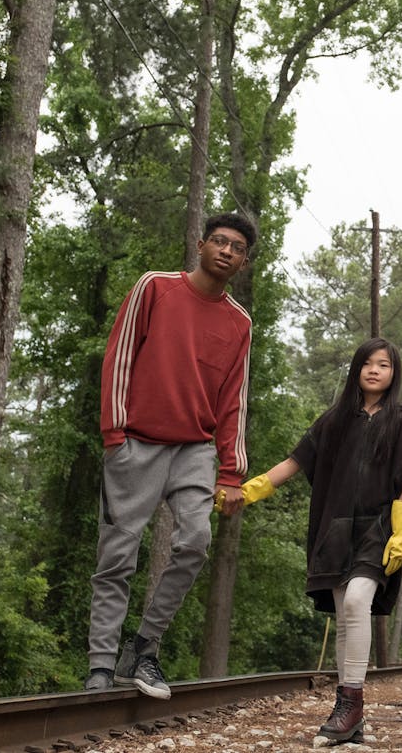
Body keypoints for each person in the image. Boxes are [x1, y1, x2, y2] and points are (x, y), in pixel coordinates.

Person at [85, 212, 256, 699]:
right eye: (219, 241)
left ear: (243, 263)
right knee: (116, 558)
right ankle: (100, 664)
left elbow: (234, 400)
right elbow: (119, 355)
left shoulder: (239, 323)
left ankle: (142, 648)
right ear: (200, 245)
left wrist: (230, 472)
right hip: (135, 443)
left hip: (194, 451)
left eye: (237, 247)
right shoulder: (155, 288)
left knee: (195, 542)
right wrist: (114, 435)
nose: (226, 250)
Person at [239, 337, 402, 744]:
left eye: (384, 365)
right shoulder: (334, 419)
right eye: (368, 364)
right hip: (336, 528)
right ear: (357, 369)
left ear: (394, 374)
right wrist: (250, 491)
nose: (375, 370)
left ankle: (350, 701)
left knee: (359, 600)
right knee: (345, 619)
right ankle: (351, 718)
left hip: (377, 529)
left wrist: (401, 531)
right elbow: (295, 461)